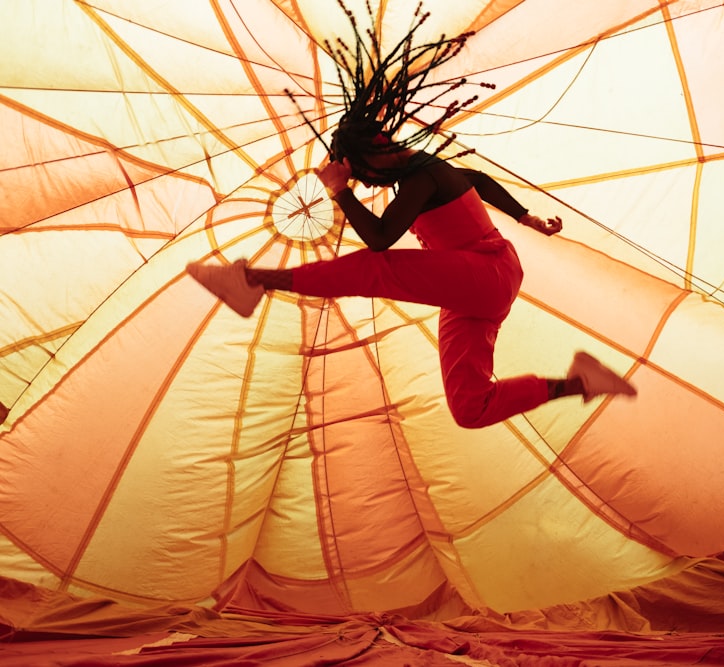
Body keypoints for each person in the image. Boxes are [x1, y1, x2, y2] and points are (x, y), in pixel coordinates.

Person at [185, 15, 635, 428]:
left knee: (374, 268)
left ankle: (254, 281)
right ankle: (580, 383)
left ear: (379, 145)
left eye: (365, 171)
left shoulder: (422, 173)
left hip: (488, 272)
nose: (369, 181)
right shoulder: (425, 178)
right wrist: (526, 216)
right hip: (475, 291)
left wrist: (340, 191)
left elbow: (380, 241)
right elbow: (477, 178)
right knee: (469, 408)